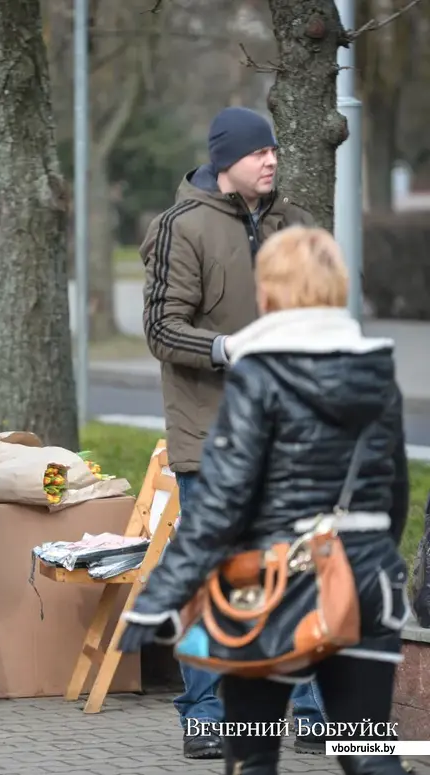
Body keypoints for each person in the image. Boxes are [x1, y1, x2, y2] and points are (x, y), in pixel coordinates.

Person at [119, 226, 410, 775]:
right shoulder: (377, 372)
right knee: (368, 755)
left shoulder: (258, 373)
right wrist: (365, 559)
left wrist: (160, 598)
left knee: (252, 757)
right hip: (368, 583)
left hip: (273, 585)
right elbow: (395, 497)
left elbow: (220, 504)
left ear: (270, 292)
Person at [140, 106, 326, 759]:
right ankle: (203, 711)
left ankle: (308, 710)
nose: (271, 160)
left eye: (274, 150)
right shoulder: (179, 229)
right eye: (257, 153)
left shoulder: (291, 222)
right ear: (225, 161)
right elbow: (163, 330)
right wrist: (228, 347)